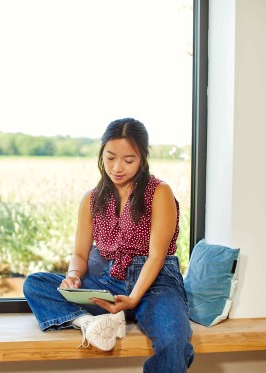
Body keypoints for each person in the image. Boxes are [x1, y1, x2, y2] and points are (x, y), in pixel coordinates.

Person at [23, 118, 194, 372]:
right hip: (110, 282)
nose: (117, 167)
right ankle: (87, 324)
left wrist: (134, 298)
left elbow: (156, 257)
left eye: (129, 160)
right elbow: (79, 254)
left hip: (156, 283)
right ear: (101, 153)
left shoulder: (160, 192)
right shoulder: (91, 199)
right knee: (35, 284)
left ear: (143, 158)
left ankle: (116, 319)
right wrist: (73, 276)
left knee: (175, 339)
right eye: (110, 157)